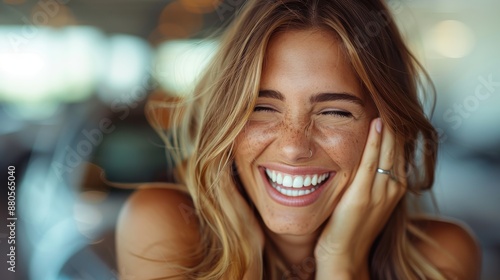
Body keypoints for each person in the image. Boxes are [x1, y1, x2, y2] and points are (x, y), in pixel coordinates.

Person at [116, 0, 481, 279]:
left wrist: (342, 263)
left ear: (390, 132)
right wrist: (244, 262)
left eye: (334, 113)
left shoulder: (442, 256)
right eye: (262, 107)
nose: (293, 147)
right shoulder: (162, 224)